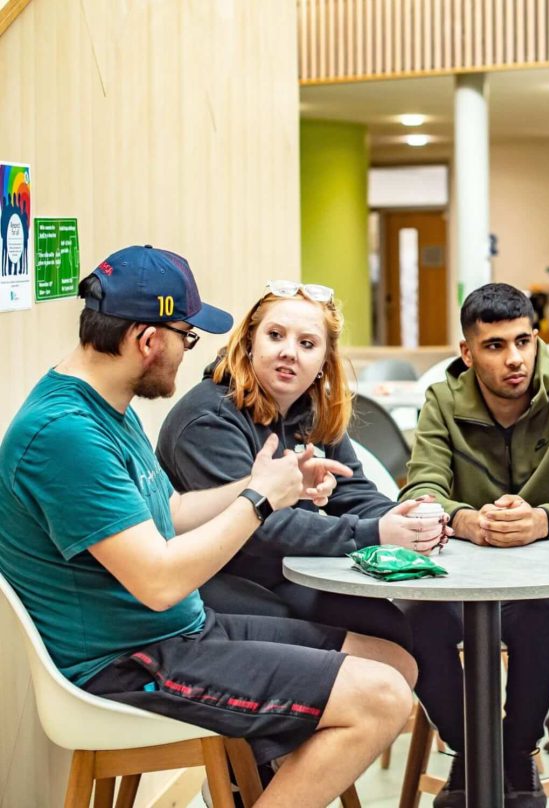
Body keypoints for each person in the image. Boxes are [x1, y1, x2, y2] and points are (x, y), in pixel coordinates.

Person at [0, 246, 414, 806]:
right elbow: (160, 582)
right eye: (187, 337)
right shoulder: (65, 434)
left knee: (392, 660)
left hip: (179, 632)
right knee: (382, 698)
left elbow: (167, 513)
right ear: (149, 341)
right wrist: (261, 502)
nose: (190, 353)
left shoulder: (104, 406)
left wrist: (269, 481)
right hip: (126, 663)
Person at [399, 283, 549, 808]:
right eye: (494, 346)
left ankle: (513, 756)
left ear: (537, 339)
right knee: (410, 622)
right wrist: (463, 520)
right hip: (456, 583)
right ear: (467, 354)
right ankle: (475, 755)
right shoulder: (442, 401)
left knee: (545, 618)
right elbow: (421, 488)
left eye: (523, 341)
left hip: (543, 582)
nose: (514, 359)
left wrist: (542, 520)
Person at [157, 280, 450, 651]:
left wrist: (405, 517)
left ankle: (466, 713)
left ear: (325, 361)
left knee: (425, 621)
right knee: (383, 634)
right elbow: (260, 525)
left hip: (281, 570)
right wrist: (375, 532)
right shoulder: (209, 417)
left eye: (307, 344)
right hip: (216, 583)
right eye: (275, 336)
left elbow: (352, 490)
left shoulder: (309, 408)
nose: (289, 353)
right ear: (249, 342)